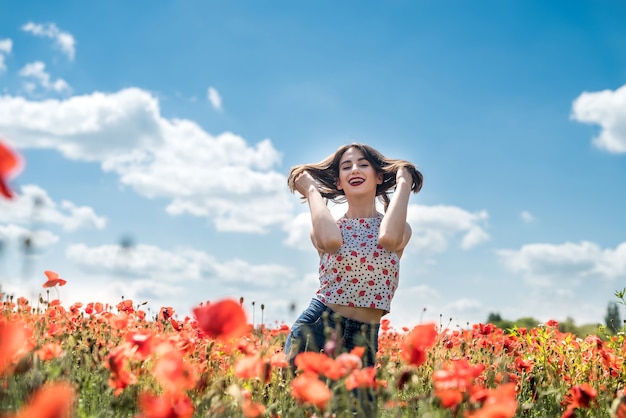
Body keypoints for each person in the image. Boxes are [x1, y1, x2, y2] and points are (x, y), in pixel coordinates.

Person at [283, 143, 423, 416]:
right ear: (338, 181)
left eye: (362, 164)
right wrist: (311, 188)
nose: (354, 170)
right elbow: (333, 241)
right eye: (346, 167)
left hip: (364, 337)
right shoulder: (327, 228)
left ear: (379, 176)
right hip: (319, 326)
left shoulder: (399, 230)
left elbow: (388, 239)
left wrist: (405, 181)